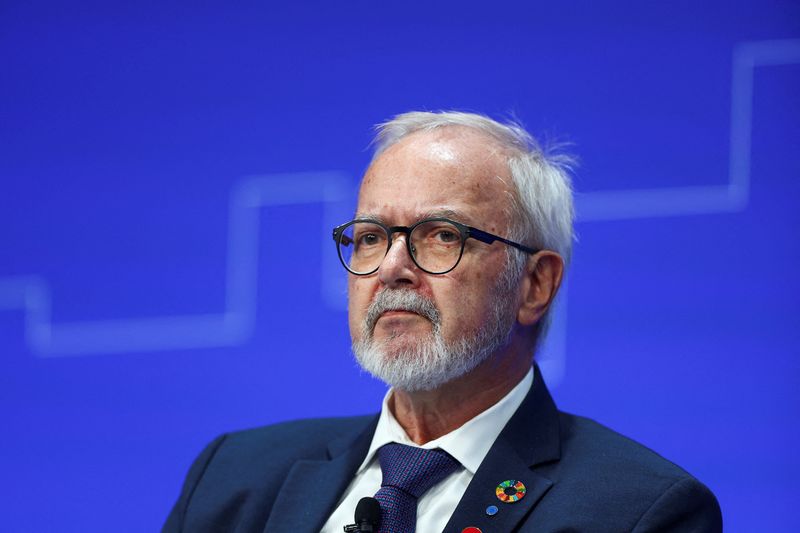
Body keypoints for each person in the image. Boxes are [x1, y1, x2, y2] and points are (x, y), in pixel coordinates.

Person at [163, 111, 722, 532]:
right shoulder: (232, 478)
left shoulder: (640, 512)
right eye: (371, 237)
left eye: (442, 236)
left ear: (535, 284)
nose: (393, 268)